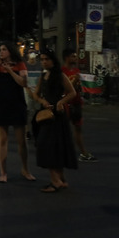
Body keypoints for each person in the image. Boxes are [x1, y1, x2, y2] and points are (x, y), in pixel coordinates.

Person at [0, 43, 35, 183]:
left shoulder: (20, 65)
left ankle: (25, 169)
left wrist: (10, 71)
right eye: (0, 49)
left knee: (21, 140)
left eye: (4, 49)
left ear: (11, 51)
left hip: (17, 104)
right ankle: (3, 172)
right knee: (2, 140)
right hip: (2, 105)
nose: (1, 52)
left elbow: (23, 83)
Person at [31, 50, 79, 192]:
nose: (44, 62)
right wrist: (42, 101)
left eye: (46, 59)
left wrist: (61, 102)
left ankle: (56, 181)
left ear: (53, 60)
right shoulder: (43, 76)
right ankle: (60, 179)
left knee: (53, 147)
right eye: (42, 59)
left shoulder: (60, 75)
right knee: (46, 145)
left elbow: (72, 93)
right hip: (46, 114)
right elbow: (36, 94)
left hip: (57, 115)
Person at [62, 49, 97, 162]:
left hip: (76, 103)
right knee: (63, 129)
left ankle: (83, 153)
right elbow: (64, 89)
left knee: (78, 128)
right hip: (66, 104)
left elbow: (78, 88)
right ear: (66, 58)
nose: (75, 59)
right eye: (73, 56)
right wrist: (74, 81)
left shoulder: (76, 70)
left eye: (75, 57)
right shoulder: (61, 72)